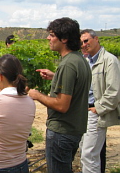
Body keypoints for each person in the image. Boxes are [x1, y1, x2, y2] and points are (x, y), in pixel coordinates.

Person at [28, 17, 92, 173]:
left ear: (64, 39)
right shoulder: (80, 60)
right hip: (74, 129)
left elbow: (62, 105)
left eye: (52, 34)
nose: (48, 38)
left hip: (61, 132)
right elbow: (75, 85)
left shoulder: (68, 65)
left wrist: (37, 95)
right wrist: (55, 76)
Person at [80, 29, 120, 173]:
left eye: (86, 41)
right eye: (81, 42)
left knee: (89, 155)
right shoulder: (86, 61)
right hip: (84, 112)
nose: (83, 45)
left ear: (96, 39)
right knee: (85, 153)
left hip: (95, 112)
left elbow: (114, 91)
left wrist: (98, 108)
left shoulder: (110, 60)